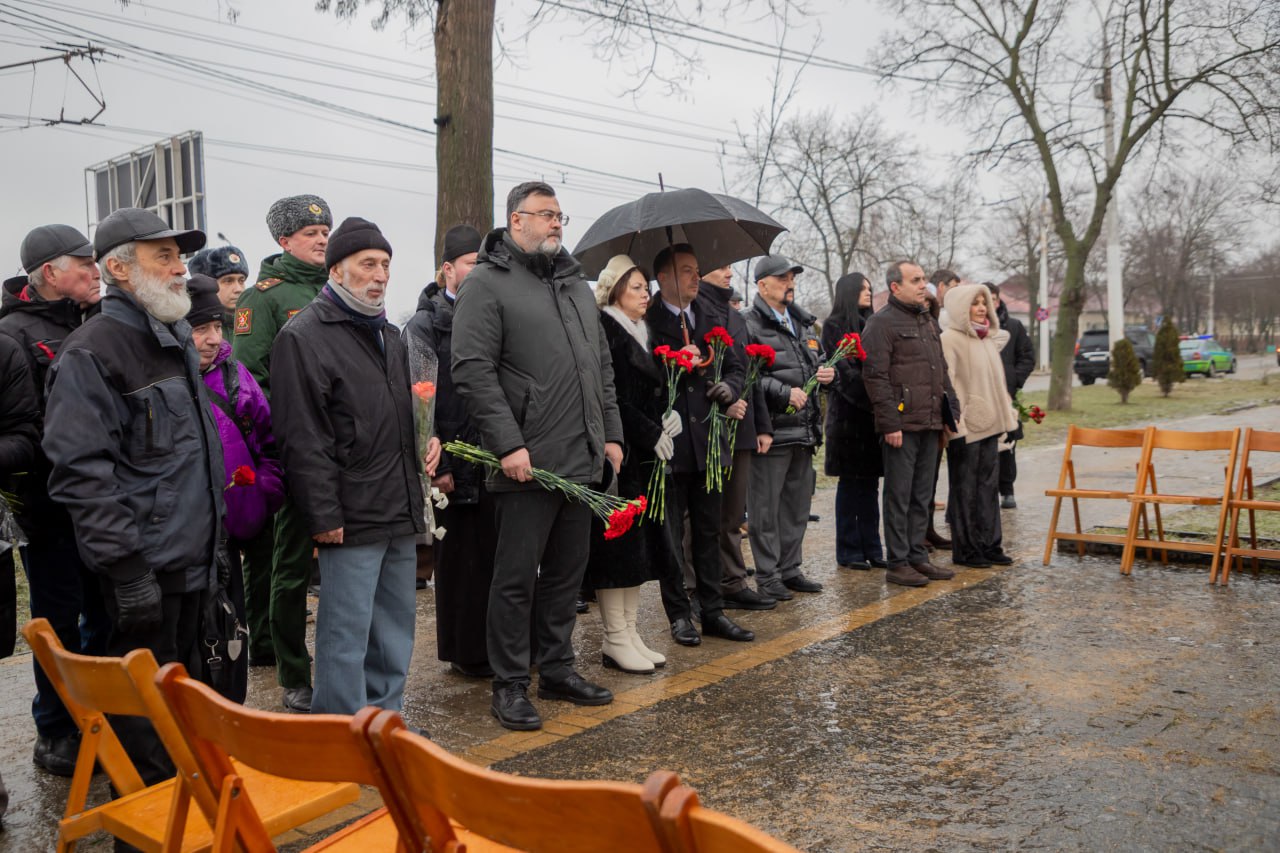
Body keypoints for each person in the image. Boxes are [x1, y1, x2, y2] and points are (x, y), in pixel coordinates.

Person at [43, 207, 222, 783]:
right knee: (149, 744)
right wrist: (126, 571)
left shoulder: (172, 340)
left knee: (188, 724)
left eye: (180, 257)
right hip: (144, 577)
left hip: (193, 565)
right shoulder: (93, 351)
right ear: (120, 269)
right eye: (163, 256)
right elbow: (80, 472)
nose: (179, 270)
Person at [452, 181, 624, 731]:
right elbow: (472, 370)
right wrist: (508, 443)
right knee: (516, 578)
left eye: (559, 215)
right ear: (515, 220)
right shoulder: (487, 282)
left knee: (567, 576)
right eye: (545, 215)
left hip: (581, 456)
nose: (556, 224)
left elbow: (601, 367)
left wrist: (612, 435)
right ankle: (509, 684)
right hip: (526, 461)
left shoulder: (574, 284)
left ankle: (557, 668)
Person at [270, 216, 437, 716]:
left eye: (386, 264)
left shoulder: (391, 334)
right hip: (350, 515)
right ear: (336, 270)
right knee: (345, 635)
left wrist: (430, 441)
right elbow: (302, 438)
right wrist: (323, 517)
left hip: (398, 506)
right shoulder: (303, 337)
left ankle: (385, 724)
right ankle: (340, 735)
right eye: (368, 263)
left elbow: (400, 413)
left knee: (393, 629)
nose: (380, 275)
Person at [0, 224, 112, 777]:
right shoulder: (15, 334)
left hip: (103, 502)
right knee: (59, 619)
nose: (97, 272)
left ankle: (100, 717)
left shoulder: (99, 321)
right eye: (85, 264)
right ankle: (56, 729)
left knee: (105, 615)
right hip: (48, 508)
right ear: (50, 272)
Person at [233, 193, 331, 712]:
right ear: (284, 240)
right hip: (297, 448)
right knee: (290, 566)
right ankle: (292, 668)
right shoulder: (264, 298)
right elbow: (252, 382)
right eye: (310, 233)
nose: (321, 239)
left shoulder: (341, 286)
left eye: (325, 231)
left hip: (345, 451)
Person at [646, 244, 755, 646]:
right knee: (671, 535)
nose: (696, 277)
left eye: (696, 270)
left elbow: (737, 365)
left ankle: (713, 610)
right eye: (687, 271)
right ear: (664, 278)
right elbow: (640, 377)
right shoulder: (649, 320)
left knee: (709, 530)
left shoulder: (710, 316)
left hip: (708, 441)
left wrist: (728, 387)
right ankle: (679, 613)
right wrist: (672, 364)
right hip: (670, 444)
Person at [585, 254, 686, 673]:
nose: (646, 294)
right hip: (620, 455)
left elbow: (651, 392)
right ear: (614, 291)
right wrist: (649, 432)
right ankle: (614, 637)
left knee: (640, 548)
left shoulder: (645, 330)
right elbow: (616, 398)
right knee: (620, 548)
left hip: (645, 458)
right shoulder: (606, 328)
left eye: (646, 287)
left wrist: (670, 412)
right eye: (636, 288)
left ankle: (629, 631)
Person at [188, 275, 286, 702]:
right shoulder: (170, 380)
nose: (213, 339)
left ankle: (230, 712)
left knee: (231, 628)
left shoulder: (235, 375)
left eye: (217, 327)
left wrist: (262, 494)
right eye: (200, 329)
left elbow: (268, 443)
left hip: (234, 530)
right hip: (189, 536)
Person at [405, 223, 496, 679]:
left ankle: (504, 647)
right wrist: (437, 463)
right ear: (448, 270)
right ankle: (467, 652)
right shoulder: (426, 323)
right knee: (461, 565)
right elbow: (423, 398)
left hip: (495, 460)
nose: (479, 273)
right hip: (452, 465)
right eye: (471, 265)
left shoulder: (492, 314)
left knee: (496, 562)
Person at [861, 260, 960, 588]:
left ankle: (918, 555)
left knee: (922, 495)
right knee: (899, 496)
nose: (923, 285)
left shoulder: (927, 322)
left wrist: (951, 410)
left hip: (930, 422)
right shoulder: (881, 324)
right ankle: (898, 562)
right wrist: (890, 424)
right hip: (901, 426)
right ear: (895, 287)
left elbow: (940, 369)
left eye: (923, 279)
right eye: (916, 280)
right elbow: (875, 377)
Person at [741, 255, 832, 600]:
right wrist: (783, 394)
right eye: (782, 278)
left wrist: (827, 375)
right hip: (773, 431)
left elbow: (815, 363)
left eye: (792, 277)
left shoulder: (804, 325)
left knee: (796, 507)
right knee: (764, 510)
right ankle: (768, 576)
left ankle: (790, 569)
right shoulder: (748, 324)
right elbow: (748, 378)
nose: (789, 282)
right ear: (762, 284)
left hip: (803, 429)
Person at [698, 265, 776, 612]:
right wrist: (720, 400)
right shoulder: (693, 312)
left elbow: (750, 374)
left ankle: (732, 580)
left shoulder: (736, 318)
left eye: (732, 266)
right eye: (722, 266)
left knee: (732, 513)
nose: (729, 272)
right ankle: (696, 587)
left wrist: (762, 425)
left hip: (741, 425)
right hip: (707, 425)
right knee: (699, 516)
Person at [939, 285, 1019, 568]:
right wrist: (955, 424)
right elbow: (947, 384)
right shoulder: (950, 339)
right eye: (975, 303)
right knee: (965, 490)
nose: (982, 307)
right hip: (966, 426)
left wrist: (1007, 413)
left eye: (984, 302)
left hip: (991, 424)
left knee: (988, 487)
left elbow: (997, 383)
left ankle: (990, 543)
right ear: (962, 307)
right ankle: (967, 549)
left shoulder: (986, 338)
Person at [823, 273, 886, 571]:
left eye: (870, 288)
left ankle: (872, 547)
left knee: (870, 486)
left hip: (871, 419)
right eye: (863, 288)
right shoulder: (833, 326)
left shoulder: (872, 324)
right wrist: (873, 397)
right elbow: (844, 374)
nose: (868, 292)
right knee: (850, 487)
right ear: (848, 291)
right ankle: (848, 551)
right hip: (848, 418)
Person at [925, 268, 961, 550]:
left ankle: (928, 529)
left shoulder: (939, 324)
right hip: (920, 412)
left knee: (932, 476)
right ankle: (919, 534)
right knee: (919, 481)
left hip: (940, 410)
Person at [989, 283, 1034, 509]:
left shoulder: (1014, 326)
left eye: (993, 299)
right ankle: (986, 491)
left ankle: (1007, 490)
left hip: (1007, 395)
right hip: (982, 397)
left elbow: (1027, 356)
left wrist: (1013, 380)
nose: (990, 304)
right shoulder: (975, 328)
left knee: (1008, 442)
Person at [188, 244, 250, 323]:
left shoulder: (259, 322)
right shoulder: (188, 329)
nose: (238, 289)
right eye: (228, 281)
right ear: (207, 287)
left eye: (241, 281)